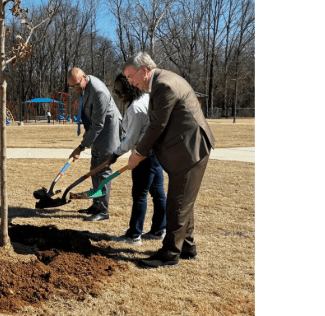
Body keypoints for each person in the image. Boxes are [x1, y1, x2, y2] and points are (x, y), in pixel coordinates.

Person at [122, 52, 215, 268]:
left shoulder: (164, 85)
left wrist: (138, 154)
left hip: (191, 149)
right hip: (186, 149)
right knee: (183, 201)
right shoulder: (161, 82)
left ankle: (170, 253)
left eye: (130, 76)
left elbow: (157, 126)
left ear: (144, 70)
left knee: (177, 203)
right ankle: (188, 247)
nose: (130, 82)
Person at [106, 74, 167, 245]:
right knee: (158, 194)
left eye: (121, 91)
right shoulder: (147, 99)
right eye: (116, 92)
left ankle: (133, 235)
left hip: (143, 157)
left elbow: (130, 140)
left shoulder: (135, 109)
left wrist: (115, 154)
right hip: (155, 155)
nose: (119, 95)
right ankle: (158, 231)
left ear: (131, 87)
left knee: (140, 195)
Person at [67, 67, 122, 221]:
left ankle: (103, 211)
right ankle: (96, 204)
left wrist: (81, 147)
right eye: (72, 87)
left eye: (77, 85)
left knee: (103, 170)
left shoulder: (98, 92)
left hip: (108, 131)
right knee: (94, 168)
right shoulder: (85, 87)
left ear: (84, 77)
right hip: (98, 131)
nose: (75, 89)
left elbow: (98, 125)